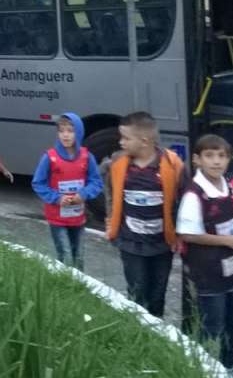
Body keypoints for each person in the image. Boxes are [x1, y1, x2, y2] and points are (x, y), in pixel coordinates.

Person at [177, 134, 233, 378]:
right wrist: (228, 241)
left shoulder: (227, 186)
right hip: (207, 272)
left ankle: (229, 365)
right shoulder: (194, 194)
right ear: (197, 160)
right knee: (211, 325)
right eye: (210, 156)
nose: (216, 161)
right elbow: (188, 234)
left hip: (231, 270)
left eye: (222, 156)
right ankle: (204, 370)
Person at [105, 111, 184, 318]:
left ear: (144, 141)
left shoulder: (172, 164)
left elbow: (183, 201)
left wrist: (179, 235)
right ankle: (138, 333)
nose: (121, 142)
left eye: (126, 138)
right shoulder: (117, 164)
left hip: (161, 244)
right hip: (130, 243)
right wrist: (110, 223)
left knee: (158, 293)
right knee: (137, 294)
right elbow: (111, 195)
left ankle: (156, 332)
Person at [31, 113, 103, 271]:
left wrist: (83, 195)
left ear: (79, 132)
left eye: (70, 130)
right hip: (57, 219)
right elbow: (38, 183)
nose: (65, 135)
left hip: (78, 218)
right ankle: (64, 285)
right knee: (64, 254)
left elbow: (96, 182)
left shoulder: (86, 157)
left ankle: (79, 287)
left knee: (78, 257)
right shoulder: (50, 157)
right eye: (61, 131)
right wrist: (56, 198)